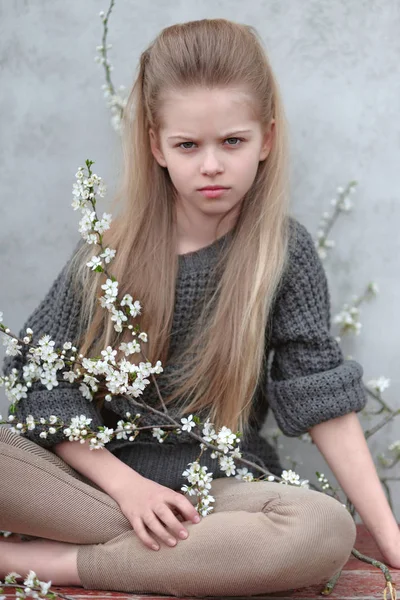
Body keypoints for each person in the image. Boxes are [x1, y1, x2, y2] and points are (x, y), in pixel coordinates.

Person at [0, 17, 398, 598]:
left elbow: (321, 398)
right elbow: (42, 385)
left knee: (322, 527)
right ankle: (167, 551)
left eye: (232, 142)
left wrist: (388, 535)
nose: (211, 165)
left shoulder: (283, 253)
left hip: (218, 491)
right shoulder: (111, 250)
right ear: (157, 145)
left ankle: (51, 561)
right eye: (188, 145)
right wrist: (128, 489)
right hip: (94, 483)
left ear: (266, 138)